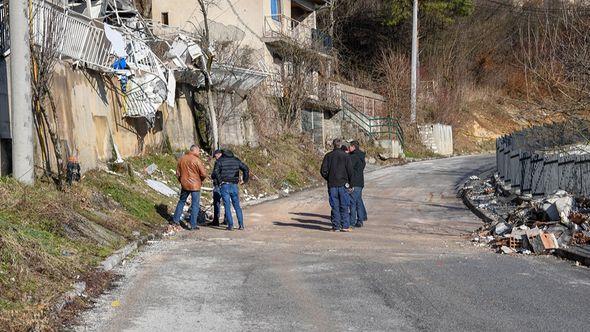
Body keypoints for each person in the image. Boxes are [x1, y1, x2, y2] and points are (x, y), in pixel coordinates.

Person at [320, 138, 353, 232]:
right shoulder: (346, 156)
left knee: (335, 206)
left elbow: (323, 171)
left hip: (332, 184)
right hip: (343, 184)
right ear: (341, 145)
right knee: (344, 205)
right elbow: (350, 171)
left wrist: (329, 178)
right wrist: (351, 184)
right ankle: (345, 226)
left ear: (333, 145)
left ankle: (336, 226)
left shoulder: (328, 156)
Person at [213, 150, 249, 231]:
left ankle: (231, 226)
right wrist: (244, 180)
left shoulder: (219, 161)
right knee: (237, 206)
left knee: (227, 206)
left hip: (224, 185)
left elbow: (215, 172)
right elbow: (246, 168)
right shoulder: (236, 160)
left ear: (223, 154)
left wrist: (220, 181)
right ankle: (241, 225)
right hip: (234, 185)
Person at [173, 145, 207, 230]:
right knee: (195, 204)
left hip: (184, 184)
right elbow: (204, 174)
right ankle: (193, 225)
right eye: (198, 151)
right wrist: (200, 180)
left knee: (181, 201)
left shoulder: (182, 159)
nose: (199, 153)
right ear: (194, 150)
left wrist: (181, 181)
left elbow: (177, 173)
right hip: (195, 185)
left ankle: (175, 220)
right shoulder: (197, 160)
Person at [349, 140, 367, 227]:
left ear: (353, 147)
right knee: (358, 201)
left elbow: (349, 168)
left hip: (354, 182)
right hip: (360, 181)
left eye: (350, 146)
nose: (349, 147)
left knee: (352, 202)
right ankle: (360, 220)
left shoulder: (354, 157)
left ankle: (352, 222)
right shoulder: (361, 156)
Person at [210, 149, 224, 227]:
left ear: (219, 154)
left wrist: (213, 176)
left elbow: (215, 173)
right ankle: (227, 220)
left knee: (217, 202)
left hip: (218, 185)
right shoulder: (226, 161)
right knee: (226, 202)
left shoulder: (218, 162)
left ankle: (216, 220)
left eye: (215, 156)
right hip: (227, 184)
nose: (215, 158)